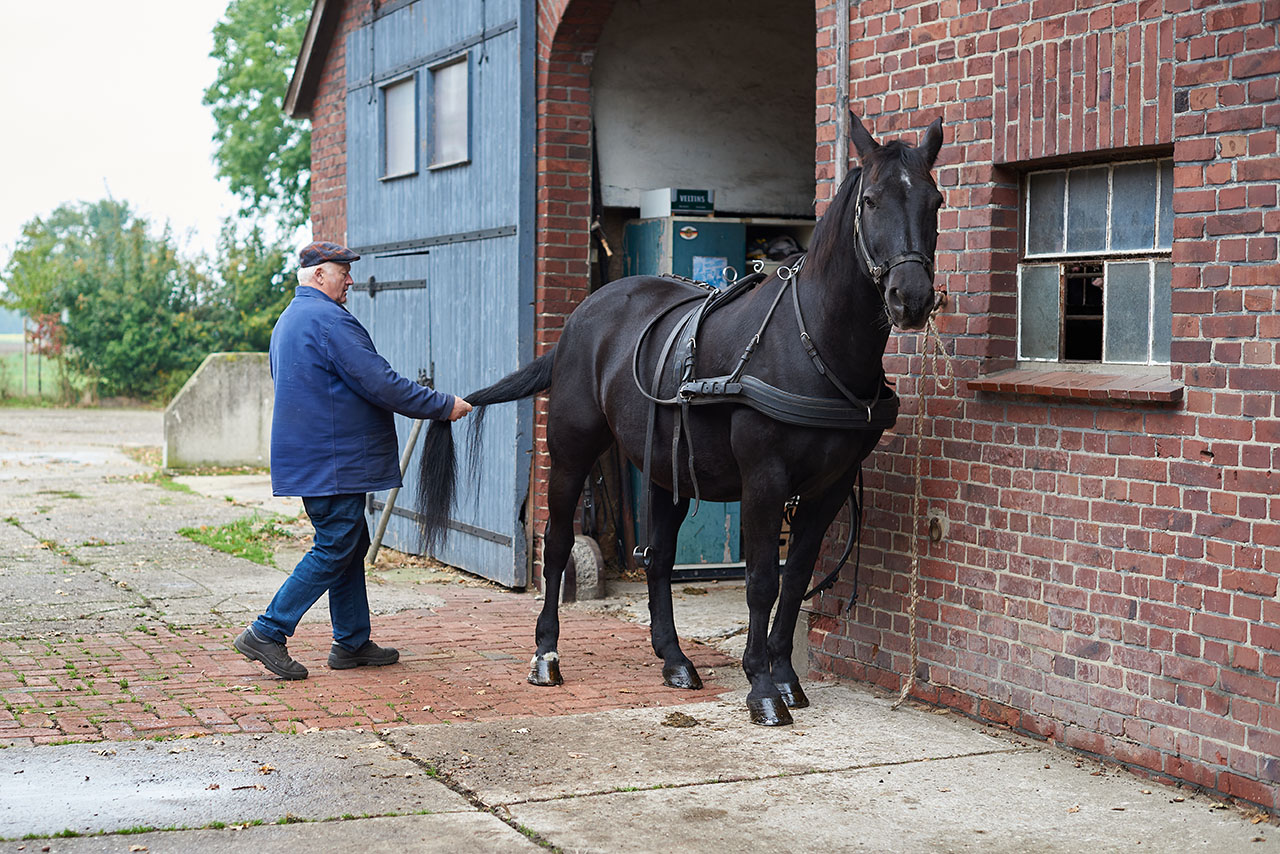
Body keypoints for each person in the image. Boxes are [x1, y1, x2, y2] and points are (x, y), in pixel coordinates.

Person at [235, 241, 472, 680]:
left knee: (349, 544)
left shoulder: (289, 320)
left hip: (317, 459)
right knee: (336, 544)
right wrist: (442, 405)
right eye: (343, 271)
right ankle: (267, 631)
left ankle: (352, 641)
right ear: (318, 274)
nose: (350, 279)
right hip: (334, 462)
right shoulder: (328, 321)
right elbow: (380, 383)